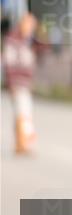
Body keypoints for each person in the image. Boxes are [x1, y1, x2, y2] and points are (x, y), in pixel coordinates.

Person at [2, 13, 39, 154]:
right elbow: (9, 62)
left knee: (21, 113)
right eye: (29, 25)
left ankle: (20, 144)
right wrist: (10, 84)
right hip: (17, 83)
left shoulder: (27, 41)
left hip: (25, 83)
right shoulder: (13, 39)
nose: (31, 29)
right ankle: (23, 144)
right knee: (23, 113)